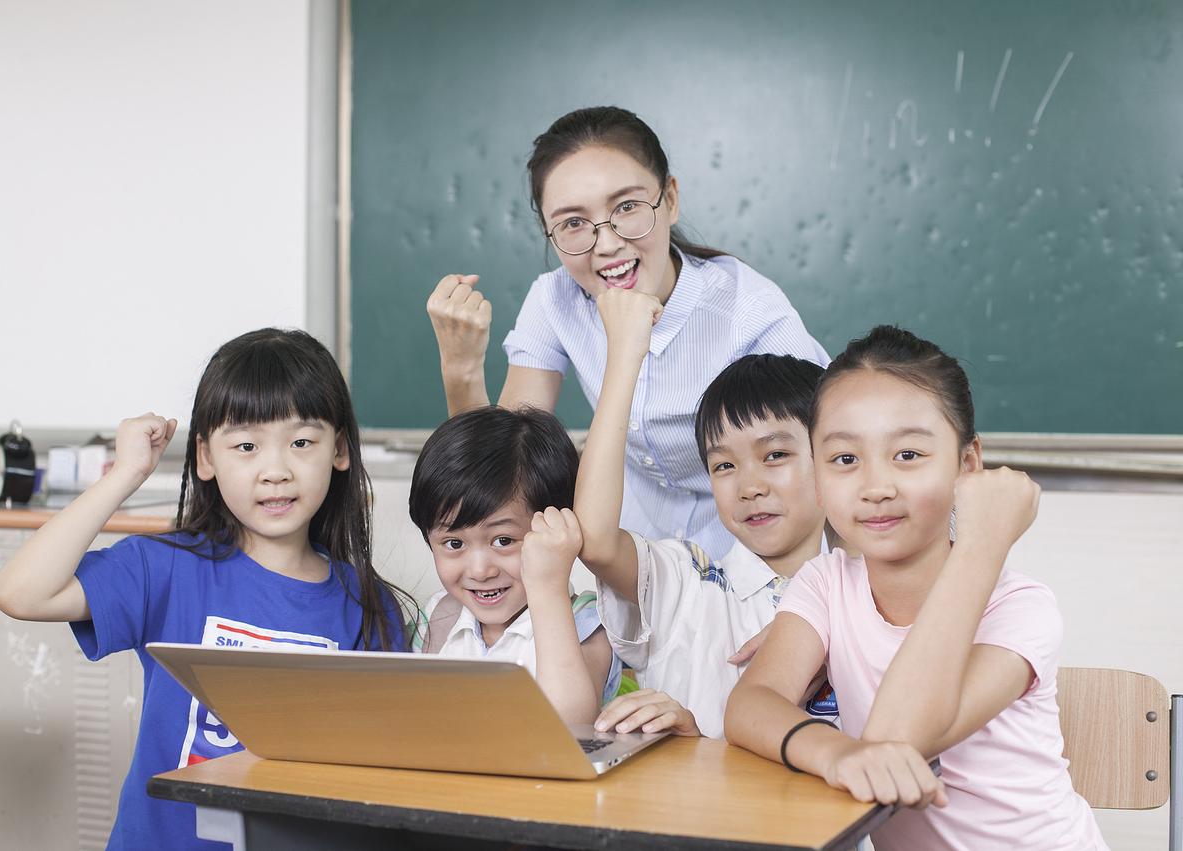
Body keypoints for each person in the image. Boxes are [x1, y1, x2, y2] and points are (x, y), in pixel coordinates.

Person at [0, 328, 410, 850]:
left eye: (302, 442)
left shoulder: (369, 606)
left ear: (340, 450)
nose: (275, 470)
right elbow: (21, 593)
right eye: (246, 446)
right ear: (206, 459)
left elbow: (379, 779)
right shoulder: (166, 568)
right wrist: (126, 473)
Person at [724, 325, 1107, 850]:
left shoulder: (1019, 609)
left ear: (966, 464)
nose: (876, 487)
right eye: (844, 459)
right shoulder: (827, 582)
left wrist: (981, 544)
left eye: (908, 455)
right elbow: (751, 705)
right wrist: (836, 754)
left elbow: (895, 739)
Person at [427, 105, 827, 556]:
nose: (608, 243)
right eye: (573, 223)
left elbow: (828, 461)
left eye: (628, 207)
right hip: (634, 560)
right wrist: (461, 368)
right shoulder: (554, 298)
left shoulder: (748, 309)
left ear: (670, 199)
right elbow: (504, 480)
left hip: (755, 557)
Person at [572, 286, 832, 738]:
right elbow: (594, 540)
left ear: (832, 458)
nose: (750, 487)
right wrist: (625, 358)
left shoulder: (871, 595)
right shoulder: (686, 582)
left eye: (774, 456)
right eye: (724, 465)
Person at [409, 406, 621, 722]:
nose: (480, 570)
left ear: (555, 528)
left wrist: (548, 587)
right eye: (454, 544)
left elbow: (570, 724)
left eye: (504, 540)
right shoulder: (437, 618)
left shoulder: (587, 622)